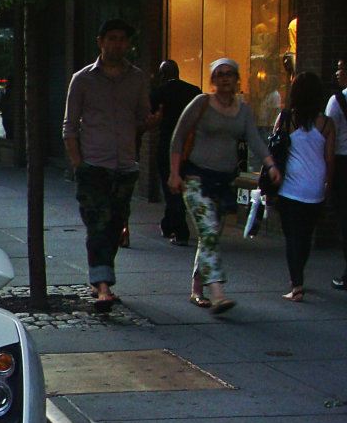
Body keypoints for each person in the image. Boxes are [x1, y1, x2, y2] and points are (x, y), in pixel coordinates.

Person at [63, 18, 161, 312]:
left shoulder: (137, 79)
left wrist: (150, 122)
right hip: (93, 165)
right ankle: (104, 287)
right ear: (100, 42)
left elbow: (140, 119)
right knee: (98, 224)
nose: (118, 44)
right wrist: (78, 163)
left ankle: (99, 278)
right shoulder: (82, 80)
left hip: (125, 167)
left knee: (116, 225)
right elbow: (69, 126)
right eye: (112, 38)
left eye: (123, 39)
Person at [167, 58, 275, 313]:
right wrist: (174, 174)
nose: (225, 78)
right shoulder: (201, 103)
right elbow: (178, 137)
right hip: (195, 179)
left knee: (210, 234)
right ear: (213, 80)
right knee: (209, 231)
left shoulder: (244, 110)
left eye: (230, 74)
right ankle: (216, 291)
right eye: (220, 74)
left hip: (223, 181)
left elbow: (255, 141)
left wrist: (271, 164)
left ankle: (196, 289)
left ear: (237, 79)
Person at [274, 71, 335, 302]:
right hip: (315, 188)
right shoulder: (327, 124)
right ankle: (298, 278)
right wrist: (327, 184)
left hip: (290, 187)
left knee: (291, 236)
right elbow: (329, 160)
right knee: (306, 235)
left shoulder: (286, 118)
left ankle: (296, 285)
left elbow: (274, 147)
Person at [150, 60, 201, 246]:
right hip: (189, 146)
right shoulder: (193, 91)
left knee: (170, 188)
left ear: (163, 75)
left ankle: (180, 230)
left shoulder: (158, 93)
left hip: (167, 145)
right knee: (181, 187)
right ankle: (168, 223)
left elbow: (150, 117)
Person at [325, 58, 347, 290]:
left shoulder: (337, 101)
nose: (337, 72)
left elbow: (329, 137)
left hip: (342, 163)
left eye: (341, 68)